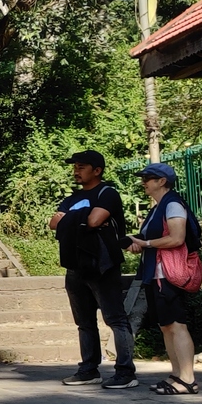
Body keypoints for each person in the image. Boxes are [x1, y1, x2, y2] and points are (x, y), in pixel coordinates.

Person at [51, 150, 137, 388]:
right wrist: (82, 217)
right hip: (75, 265)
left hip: (103, 264)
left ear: (97, 170)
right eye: (75, 166)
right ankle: (89, 369)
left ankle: (126, 372)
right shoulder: (72, 197)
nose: (76, 171)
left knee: (115, 319)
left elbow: (94, 221)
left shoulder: (107, 193)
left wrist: (71, 219)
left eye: (82, 167)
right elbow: (53, 223)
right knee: (84, 322)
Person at [127, 162, 202, 395]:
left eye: (148, 178)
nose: (144, 182)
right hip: (157, 273)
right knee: (166, 326)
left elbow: (177, 238)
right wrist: (139, 243)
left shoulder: (172, 204)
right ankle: (177, 375)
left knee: (176, 325)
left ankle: (188, 379)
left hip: (168, 274)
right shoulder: (159, 207)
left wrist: (147, 243)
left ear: (162, 182)